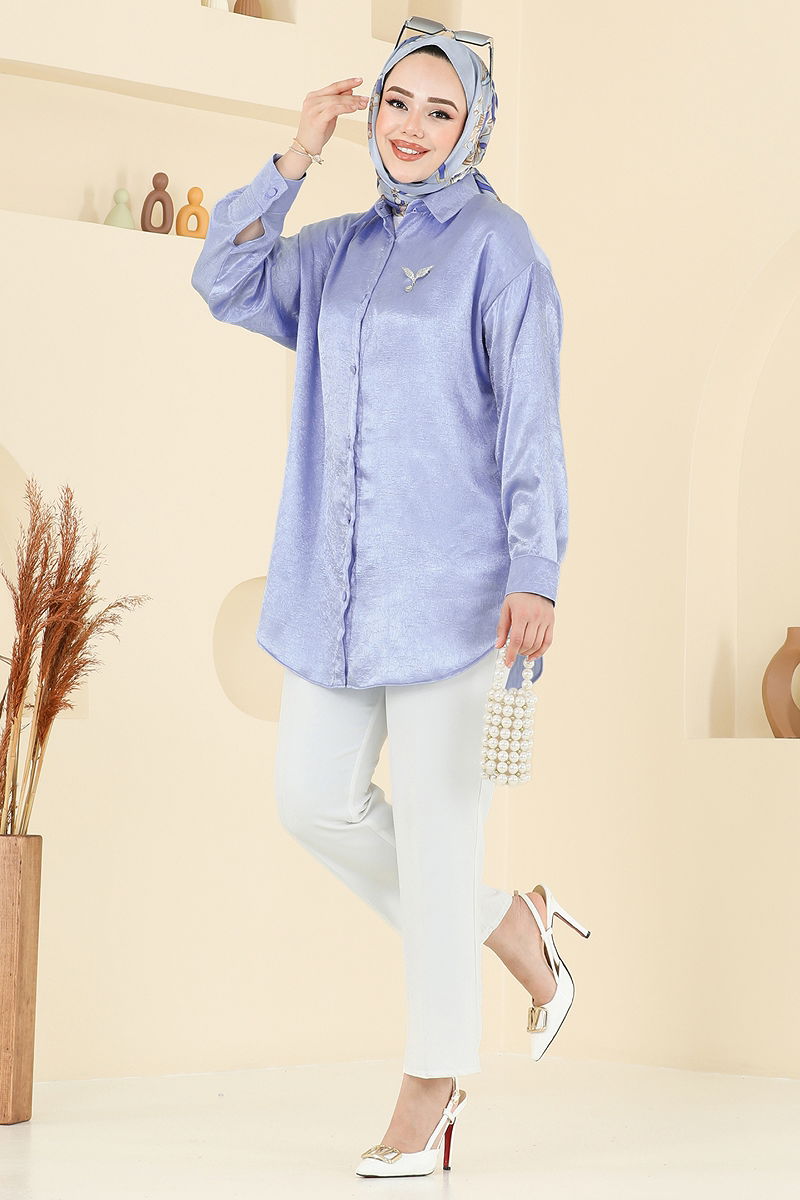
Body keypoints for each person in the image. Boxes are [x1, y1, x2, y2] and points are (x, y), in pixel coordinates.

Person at [191, 23, 590, 1179]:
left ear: (471, 129)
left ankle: (433, 1081)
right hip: (332, 593)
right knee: (309, 801)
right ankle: (509, 922)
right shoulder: (334, 249)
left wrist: (534, 569)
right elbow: (223, 280)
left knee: (436, 833)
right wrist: (292, 156)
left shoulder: (498, 249)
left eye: (438, 110)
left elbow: (530, 419)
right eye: (395, 103)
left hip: (455, 598)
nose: (410, 127)